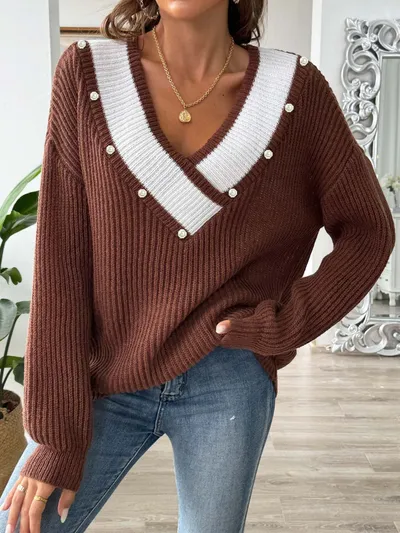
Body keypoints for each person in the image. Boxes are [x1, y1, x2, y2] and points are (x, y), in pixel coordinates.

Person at [0, 0, 396, 531]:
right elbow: (60, 263)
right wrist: (55, 438)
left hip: (228, 379)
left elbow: (369, 230)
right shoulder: (87, 75)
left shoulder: (293, 92)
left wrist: (285, 324)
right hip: (106, 376)